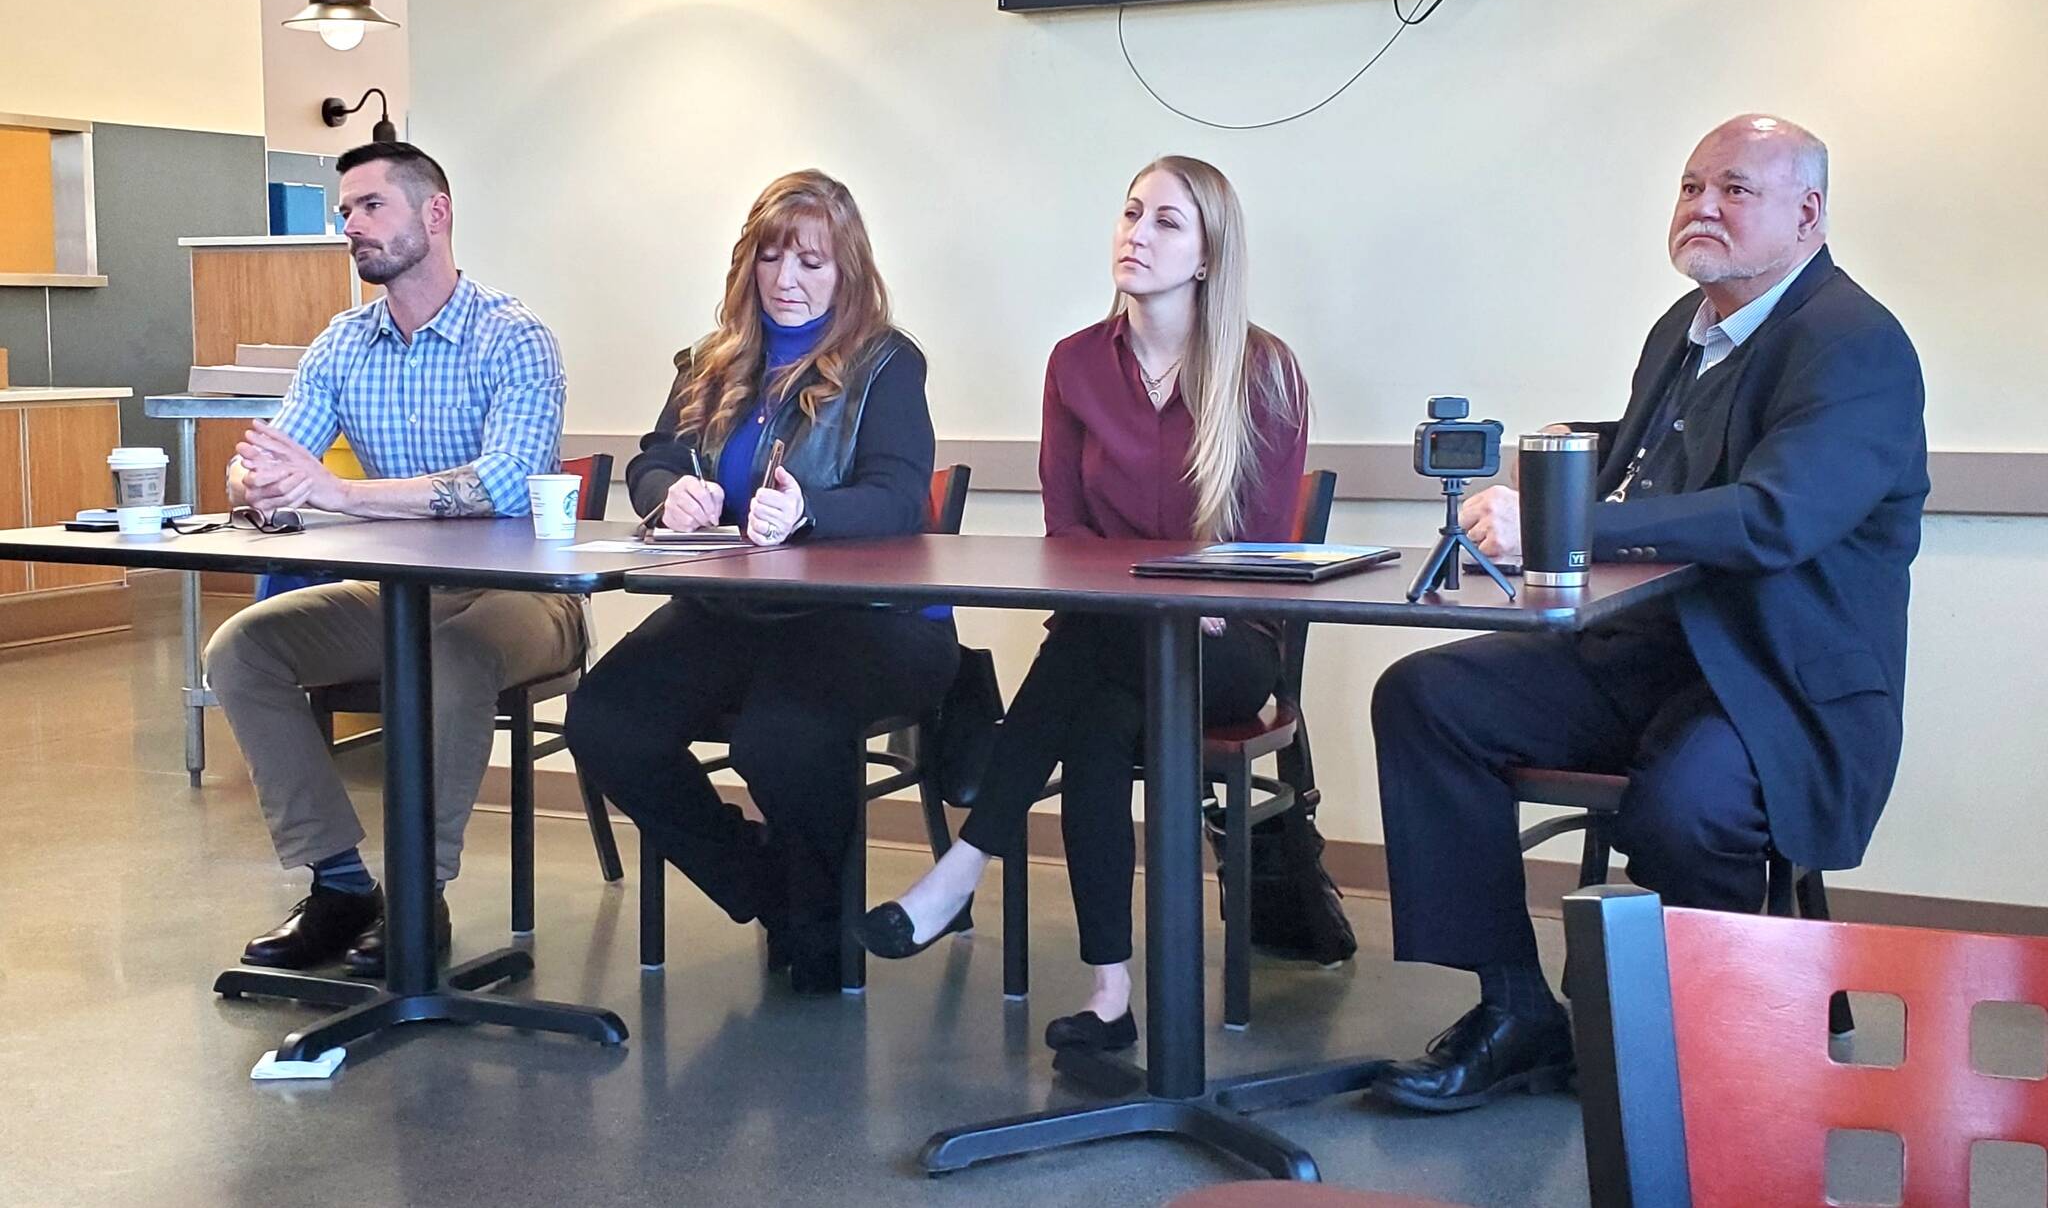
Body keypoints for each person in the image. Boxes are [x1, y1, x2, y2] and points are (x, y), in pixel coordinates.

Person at [1365, 115, 1927, 1112]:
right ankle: (1512, 1006)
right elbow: (1646, 482)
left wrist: (1562, 517)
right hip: (1645, 656)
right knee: (1425, 695)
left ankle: (1708, 1042)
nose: (1700, 205)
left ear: (1806, 213)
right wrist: (1560, 485)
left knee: (1689, 803)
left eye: (1733, 189)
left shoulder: (1853, 343)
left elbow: (1770, 516)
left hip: (1776, 680)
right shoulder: (1679, 331)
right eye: (1687, 186)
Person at [859, 155, 1309, 1053]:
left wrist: (1163, 591)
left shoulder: (1264, 372)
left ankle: (962, 866)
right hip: (1109, 640)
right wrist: (1137, 590)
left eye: (1167, 222)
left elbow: (1254, 563)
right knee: (1097, 717)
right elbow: (1065, 537)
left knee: (1091, 655)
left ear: (1209, 255)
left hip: (1226, 650)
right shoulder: (1075, 365)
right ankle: (1112, 999)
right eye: (1131, 213)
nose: (1137, 234)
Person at [563, 170, 959, 994]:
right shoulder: (710, 361)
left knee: (780, 738)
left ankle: (821, 928)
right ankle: (770, 890)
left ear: (847, 271)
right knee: (605, 721)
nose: (788, 281)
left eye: (811, 263)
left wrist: (809, 511)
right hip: (733, 607)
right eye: (772, 259)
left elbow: (896, 495)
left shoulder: (887, 364)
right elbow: (655, 455)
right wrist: (667, 493)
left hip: (868, 620)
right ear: (748, 265)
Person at [206, 140, 582, 977]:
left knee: (453, 651)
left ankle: (421, 894)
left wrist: (335, 494)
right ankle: (341, 886)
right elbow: (271, 460)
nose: (351, 227)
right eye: (345, 212)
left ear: (435, 215)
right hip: (396, 593)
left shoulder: (513, 338)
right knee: (242, 648)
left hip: (524, 597)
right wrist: (256, 483)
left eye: (371, 206)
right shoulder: (342, 345)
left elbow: (507, 484)